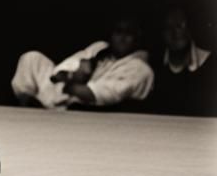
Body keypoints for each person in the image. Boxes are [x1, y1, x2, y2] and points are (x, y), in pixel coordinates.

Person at [10, 16, 154, 110]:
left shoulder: (139, 68)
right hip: (60, 92)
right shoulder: (100, 48)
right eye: (118, 32)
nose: (122, 37)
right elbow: (60, 71)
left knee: (75, 100)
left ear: (137, 38)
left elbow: (100, 95)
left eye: (128, 33)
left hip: (82, 108)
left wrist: (73, 81)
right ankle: (27, 107)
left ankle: (36, 108)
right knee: (32, 57)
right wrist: (78, 70)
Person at [150, 6, 216, 116]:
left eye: (179, 26)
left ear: (190, 29)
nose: (174, 32)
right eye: (168, 27)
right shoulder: (154, 63)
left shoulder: (210, 63)